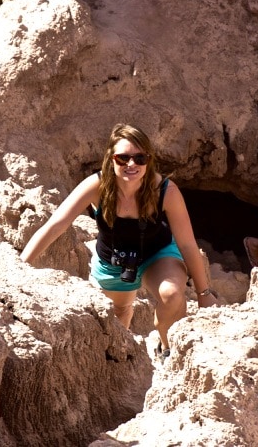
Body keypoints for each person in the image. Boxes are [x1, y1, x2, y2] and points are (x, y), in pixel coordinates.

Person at [21, 123, 218, 361]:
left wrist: (204, 293)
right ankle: (118, 358)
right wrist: (21, 264)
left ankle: (166, 347)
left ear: (149, 160)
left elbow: (187, 244)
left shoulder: (164, 190)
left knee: (172, 295)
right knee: (117, 315)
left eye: (139, 158)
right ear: (111, 159)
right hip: (114, 261)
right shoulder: (97, 186)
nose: (131, 164)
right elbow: (57, 224)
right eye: (123, 158)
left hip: (157, 255)